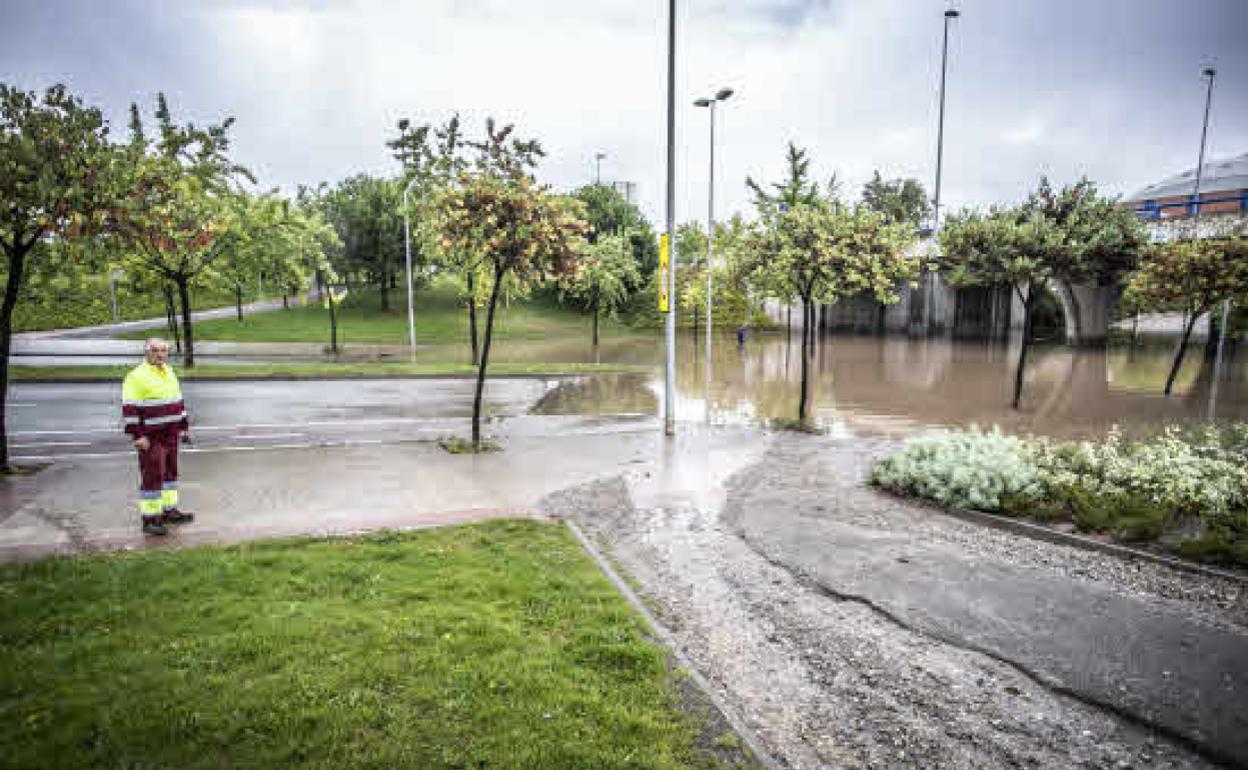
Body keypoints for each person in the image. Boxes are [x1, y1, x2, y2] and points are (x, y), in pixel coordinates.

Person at [122, 338, 193, 536]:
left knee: (170, 473)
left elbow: (177, 400)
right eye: (155, 351)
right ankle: (150, 519)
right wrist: (138, 435)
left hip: (171, 433)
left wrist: (183, 425)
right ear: (147, 352)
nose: (160, 355)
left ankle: (169, 511)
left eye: (163, 351)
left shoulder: (169, 371)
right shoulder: (136, 376)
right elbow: (130, 408)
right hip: (151, 437)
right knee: (152, 475)